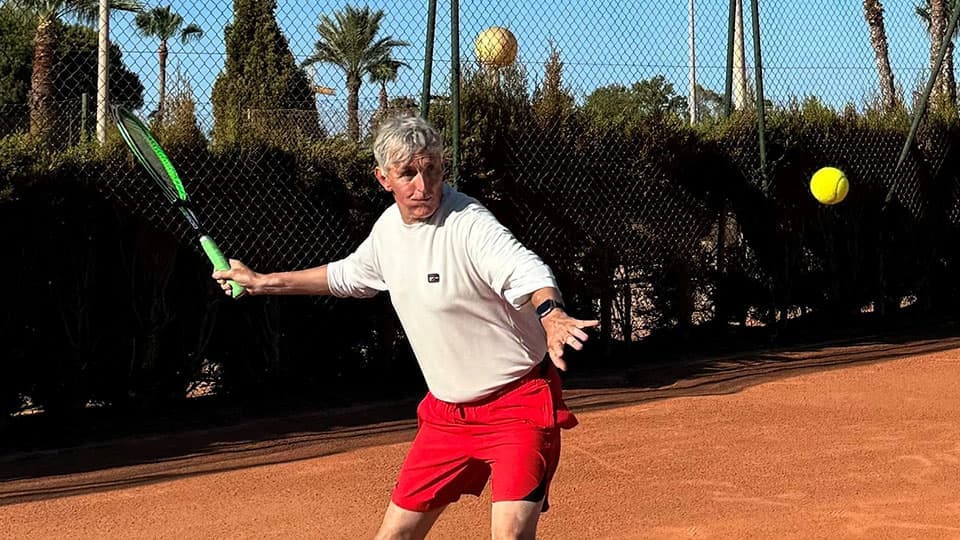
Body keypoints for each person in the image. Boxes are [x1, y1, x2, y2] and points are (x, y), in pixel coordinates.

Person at [212, 113, 599, 539]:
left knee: (509, 536)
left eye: (431, 170)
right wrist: (263, 282)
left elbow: (526, 269)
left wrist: (552, 315)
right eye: (408, 174)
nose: (423, 185)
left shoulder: (468, 223)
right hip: (446, 417)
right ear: (384, 179)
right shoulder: (387, 234)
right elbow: (346, 276)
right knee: (393, 536)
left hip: (517, 408)